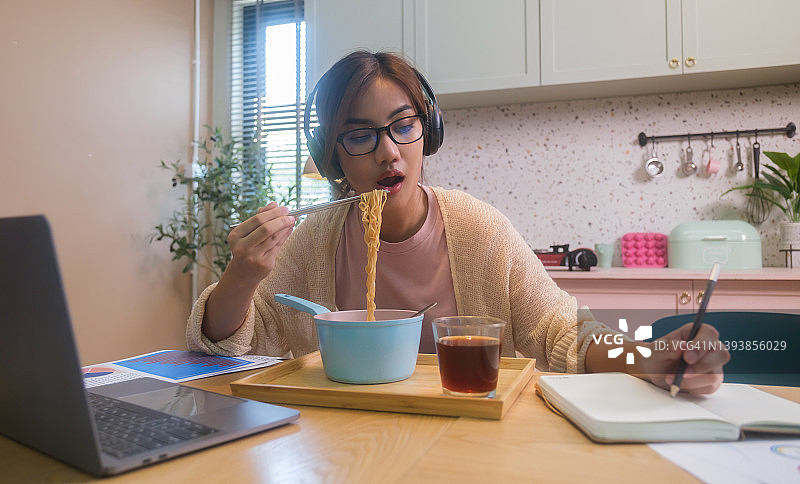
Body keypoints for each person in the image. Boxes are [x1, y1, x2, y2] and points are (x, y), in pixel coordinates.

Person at [186, 50, 729, 395]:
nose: (388, 153)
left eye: (403, 127)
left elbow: (564, 331)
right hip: (345, 438)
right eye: (360, 136)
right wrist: (240, 277)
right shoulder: (315, 242)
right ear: (334, 159)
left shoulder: (477, 229)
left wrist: (647, 355)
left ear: (428, 131)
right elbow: (234, 340)